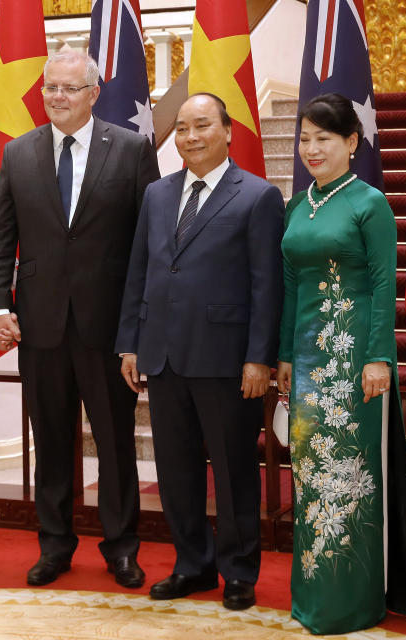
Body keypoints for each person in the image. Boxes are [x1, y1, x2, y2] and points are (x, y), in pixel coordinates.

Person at [0, 50, 159, 589]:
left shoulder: (130, 149)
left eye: (68, 88)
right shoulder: (18, 153)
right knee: (53, 444)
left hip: (108, 329)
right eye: (50, 88)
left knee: (114, 444)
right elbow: (1, 241)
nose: (56, 97)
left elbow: (148, 246)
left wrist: (139, 328)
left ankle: (122, 548)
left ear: (93, 93)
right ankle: (55, 545)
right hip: (41, 327)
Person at [275, 93, 406, 634]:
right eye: (304, 138)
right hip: (304, 364)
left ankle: (352, 599)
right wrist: (281, 355)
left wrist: (379, 358)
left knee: (348, 475)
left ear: (352, 142)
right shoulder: (297, 206)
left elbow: (381, 286)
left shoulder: (370, 203)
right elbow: (287, 286)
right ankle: (315, 592)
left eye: (324, 138)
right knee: (310, 478)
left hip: (351, 362)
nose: (311, 149)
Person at [116, 93, 283, 611]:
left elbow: (266, 284)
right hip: (163, 355)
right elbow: (139, 271)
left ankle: (238, 572)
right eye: (183, 128)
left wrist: (259, 356)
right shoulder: (158, 195)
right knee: (176, 471)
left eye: (202, 126)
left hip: (226, 359)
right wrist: (130, 343)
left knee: (233, 472)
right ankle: (193, 564)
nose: (190, 136)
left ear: (228, 131)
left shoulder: (257, 196)